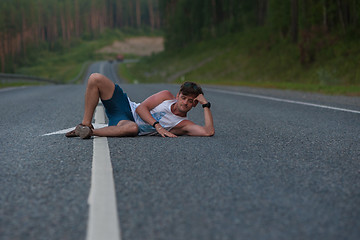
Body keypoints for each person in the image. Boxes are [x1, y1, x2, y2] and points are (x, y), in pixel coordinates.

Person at [66, 73, 214, 139]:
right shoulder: (166, 96)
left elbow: (208, 132)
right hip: (126, 107)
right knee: (95, 78)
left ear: (194, 104)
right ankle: (85, 124)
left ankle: (87, 132)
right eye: (183, 98)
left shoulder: (183, 124)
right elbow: (140, 108)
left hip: (125, 124)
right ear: (177, 96)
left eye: (190, 101)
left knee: (133, 128)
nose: (185, 103)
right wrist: (158, 126)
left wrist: (205, 104)